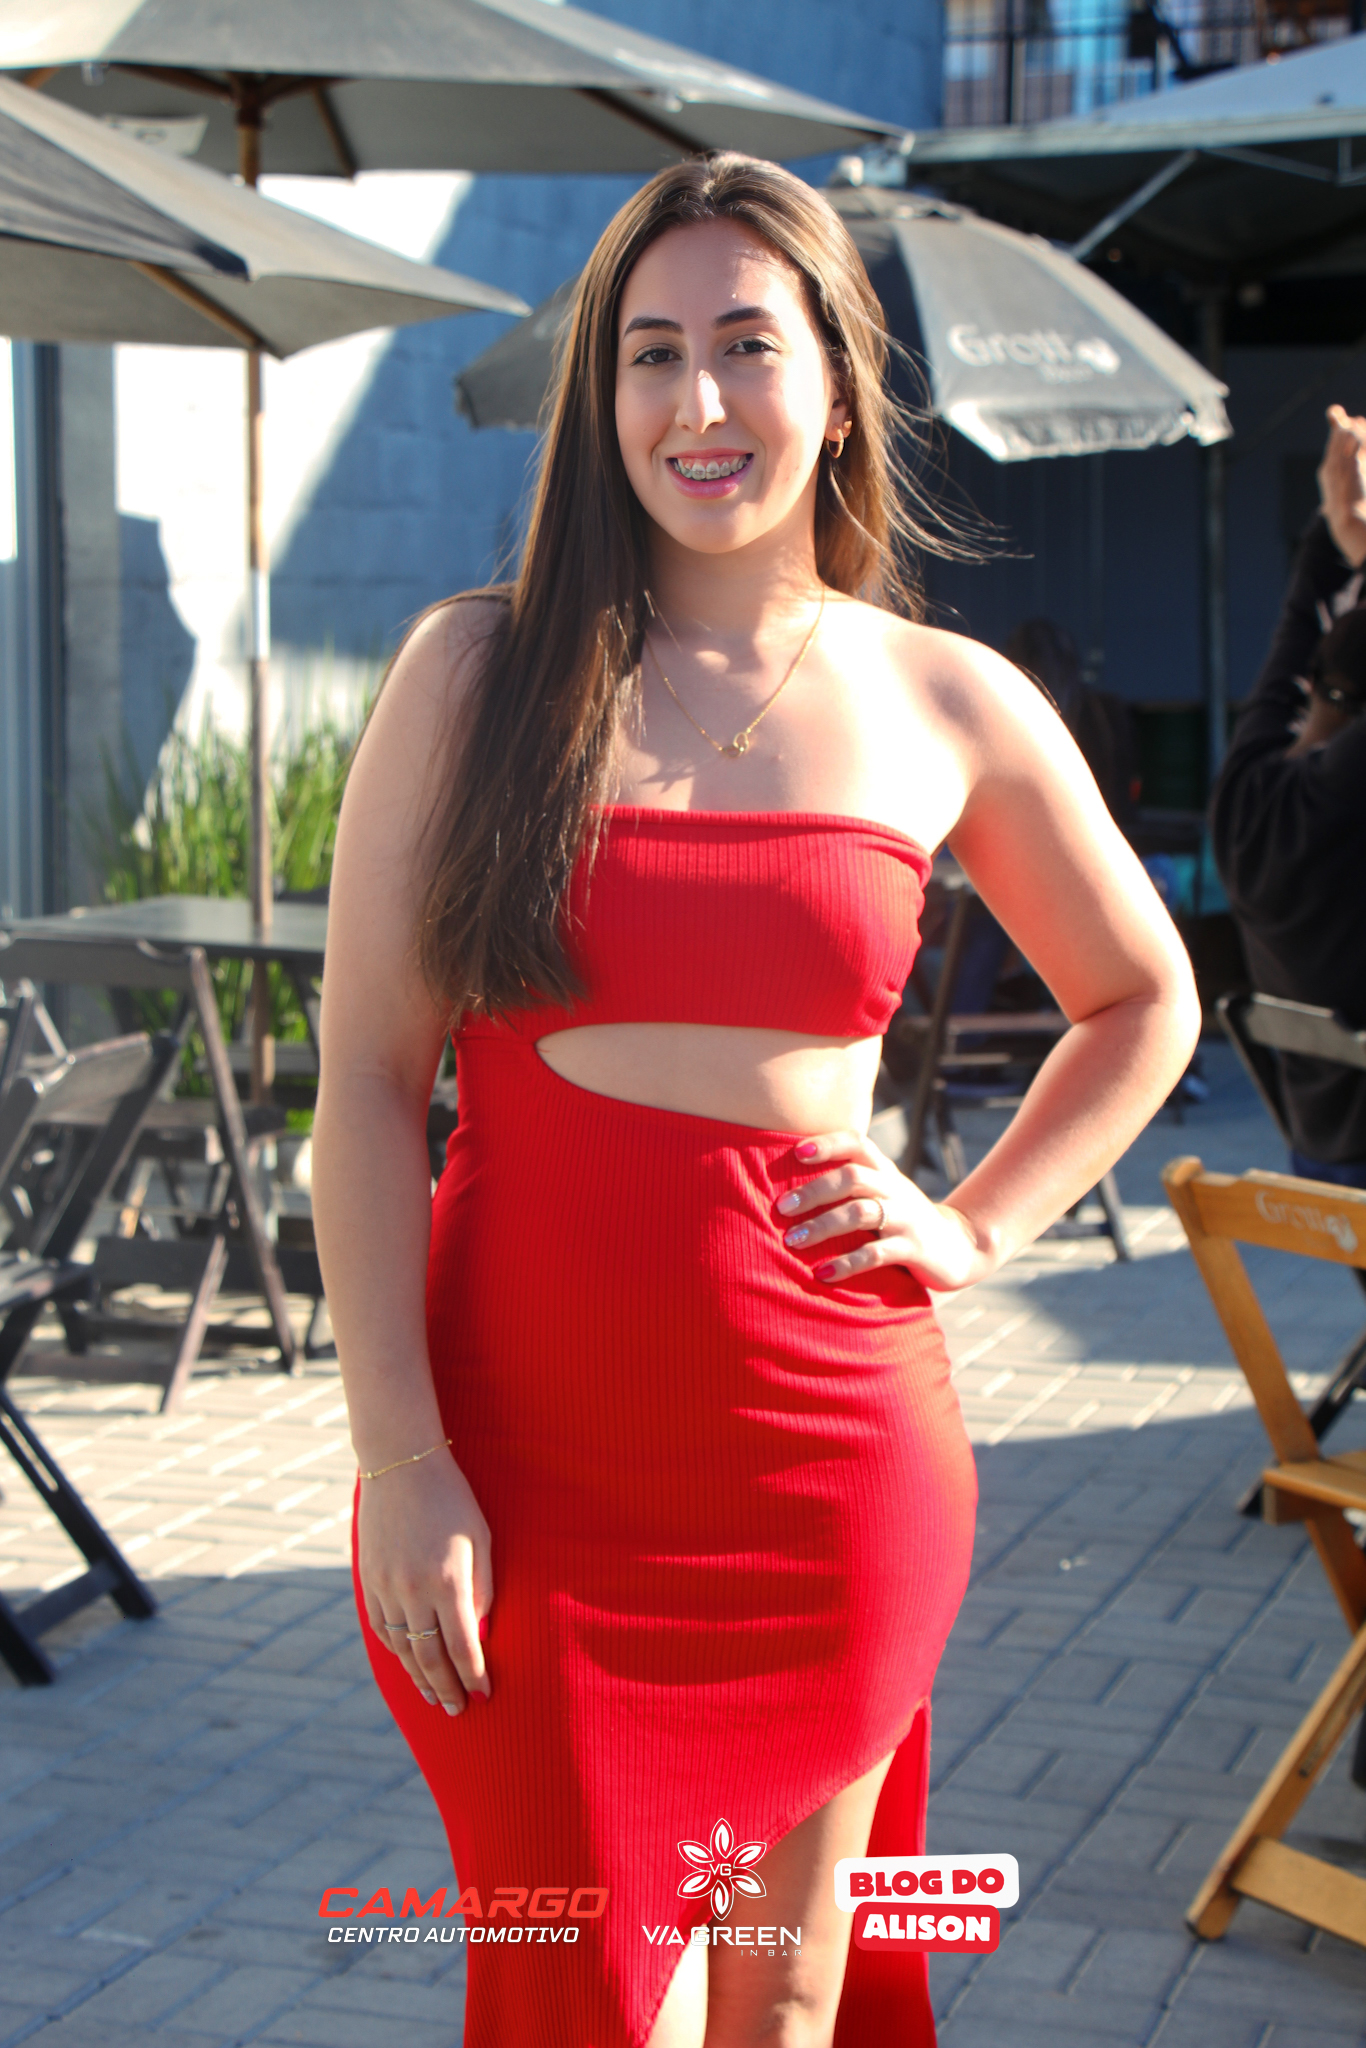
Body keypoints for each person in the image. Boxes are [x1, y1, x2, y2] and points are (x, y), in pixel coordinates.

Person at [311, 155, 1198, 2048]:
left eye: (744, 345)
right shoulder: (474, 673)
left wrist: (975, 1225)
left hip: (827, 1456)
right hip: (521, 1461)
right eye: (649, 353)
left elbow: (1142, 999)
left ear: (838, 384)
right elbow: (367, 1093)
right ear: (599, 395)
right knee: (575, 1988)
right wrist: (399, 1455)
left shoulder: (946, 698)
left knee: (790, 1991)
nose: (696, 401)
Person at [1210, 404, 1366, 1188]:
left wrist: (1333, 530)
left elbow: (1290, 641)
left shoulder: (1243, 792)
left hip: (1319, 1155)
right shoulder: (1341, 793)